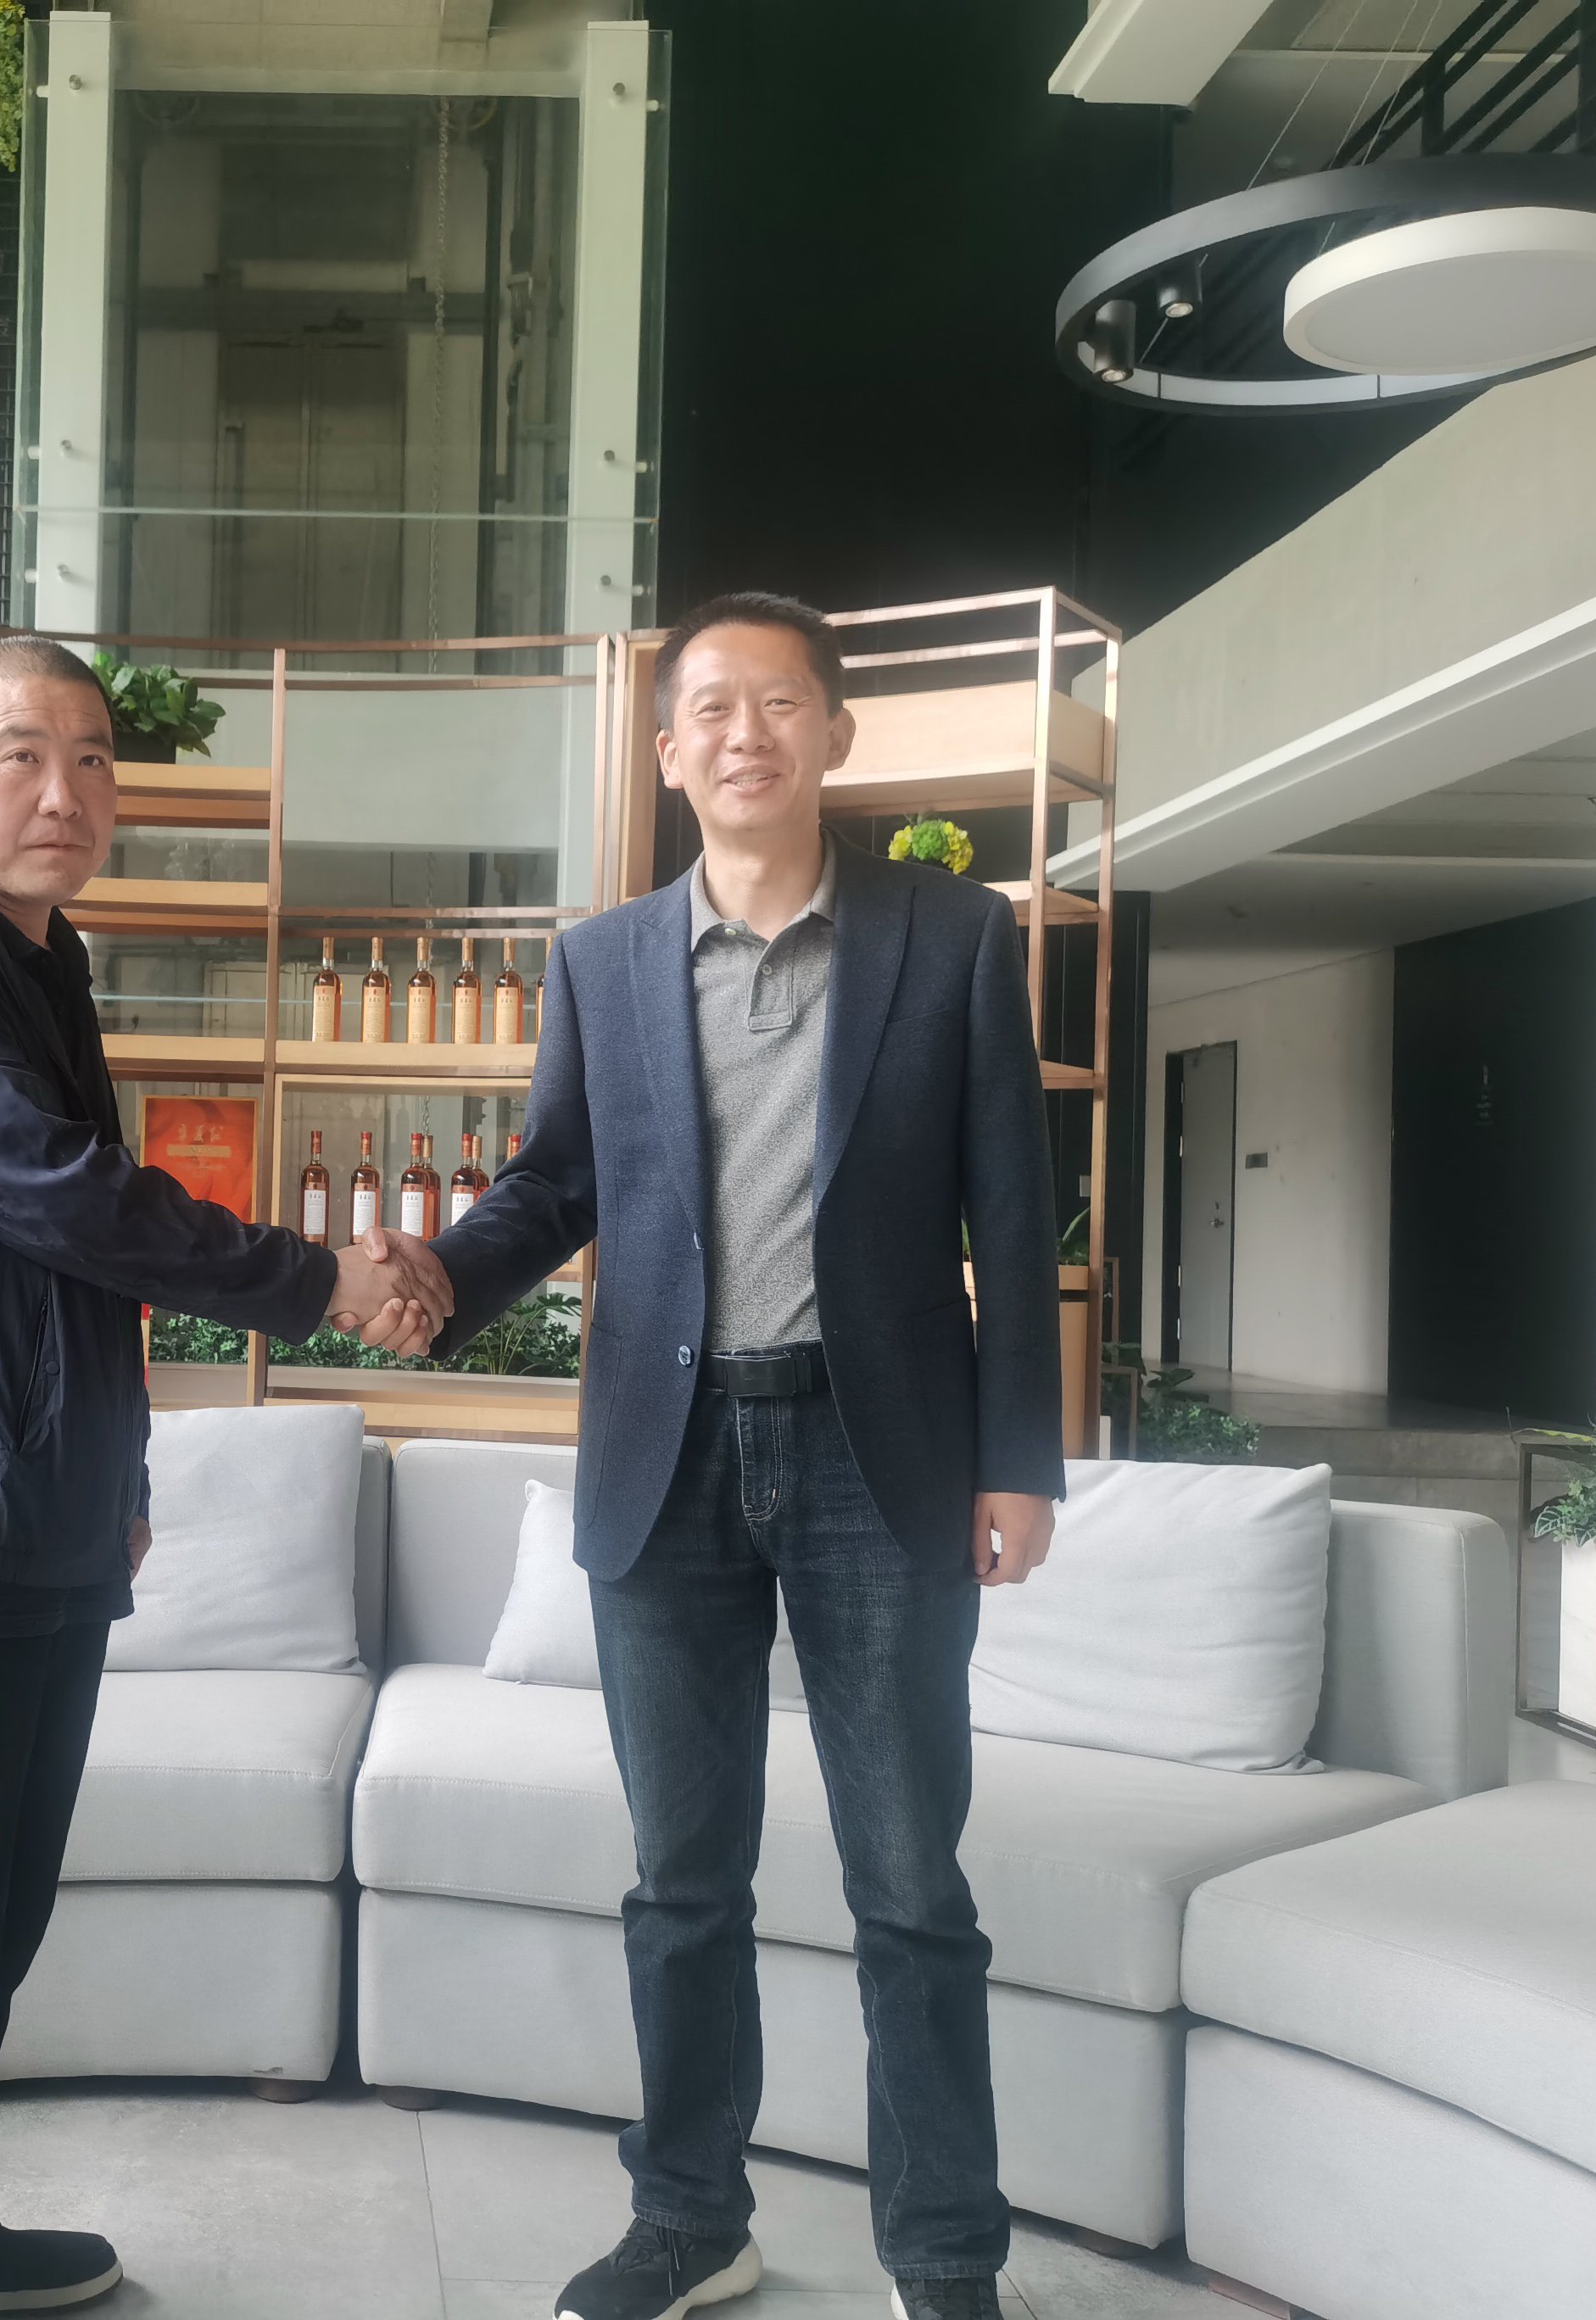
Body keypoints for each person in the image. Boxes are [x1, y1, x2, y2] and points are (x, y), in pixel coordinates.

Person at [405, 593, 1063, 2320]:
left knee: (910, 1885)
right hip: (667, 1450)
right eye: (711, 707)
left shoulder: (953, 936)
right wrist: (438, 1280)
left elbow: (1012, 1206)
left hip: (881, 1455)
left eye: (779, 703)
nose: (745, 733)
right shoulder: (605, 961)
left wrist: (1022, 1460)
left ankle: (946, 2253)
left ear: (836, 735)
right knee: (682, 1881)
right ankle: (692, 2218)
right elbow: (555, 1184)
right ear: (666, 749)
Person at [0, 633, 450, 2320]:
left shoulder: (40, 960)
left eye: (91, 759)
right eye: (22, 755)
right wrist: (317, 1279)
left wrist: (121, 1466)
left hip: (40, 1509)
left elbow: (66, 1263)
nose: (64, 792)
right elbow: (54, 1191)